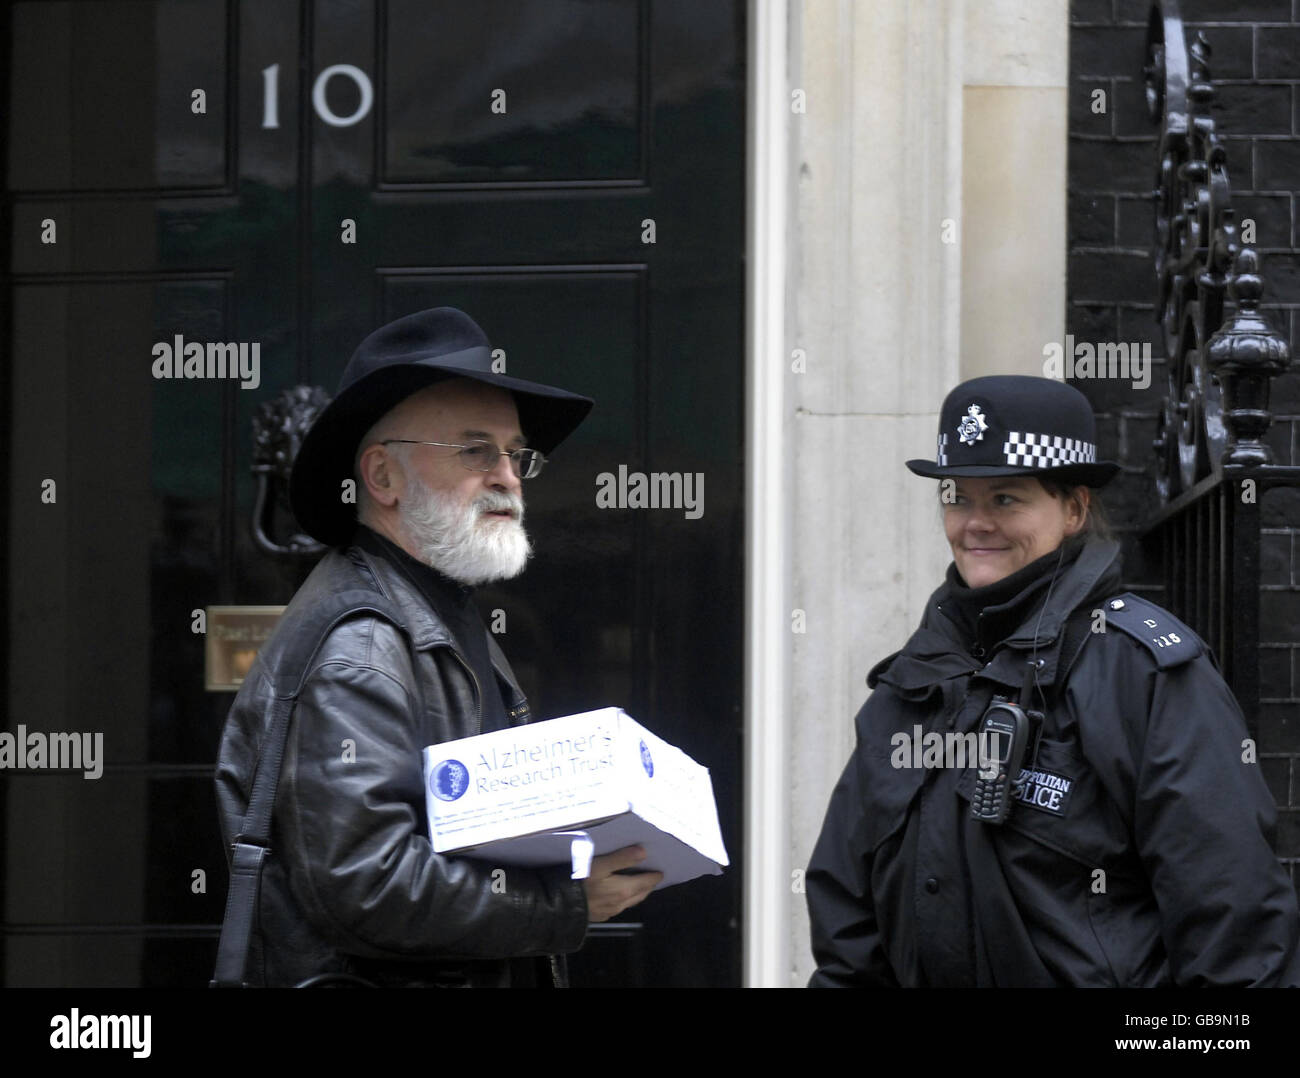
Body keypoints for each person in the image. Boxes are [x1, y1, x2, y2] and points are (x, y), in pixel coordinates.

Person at [215, 307, 661, 987]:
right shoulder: (360, 642)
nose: (508, 477)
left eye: (515, 454)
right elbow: (366, 884)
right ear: (384, 477)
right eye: (475, 450)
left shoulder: (436, 608)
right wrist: (564, 902)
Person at [805, 374, 1300, 987]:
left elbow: (1235, 933)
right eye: (958, 497)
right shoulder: (908, 688)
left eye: (1006, 499)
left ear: (1073, 509)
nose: (975, 524)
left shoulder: (1143, 674)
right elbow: (848, 935)